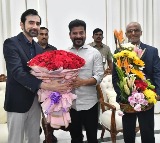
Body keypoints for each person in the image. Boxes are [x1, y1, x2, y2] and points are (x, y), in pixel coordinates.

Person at [3, 9, 70, 143]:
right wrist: (48, 85)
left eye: (38, 23)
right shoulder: (11, 43)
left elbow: (44, 73)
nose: (35, 26)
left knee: (34, 138)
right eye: (31, 23)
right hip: (17, 102)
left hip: (35, 101)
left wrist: (60, 78)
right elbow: (18, 73)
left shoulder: (39, 49)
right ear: (22, 25)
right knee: (15, 140)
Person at [112, 22, 160, 143]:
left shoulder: (152, 51)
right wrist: (121, 95)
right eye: (130, 31)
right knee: (128, 131)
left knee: (147, 130)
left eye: (136, 30)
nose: (133, 33)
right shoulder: (118, 51)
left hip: (147, 98)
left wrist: (158, 92)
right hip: (126, 99)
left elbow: (157, 73)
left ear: (141, 33)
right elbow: (115, 76)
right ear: (127, 34)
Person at [68, 19, 104, 143]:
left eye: (81, 33)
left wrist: (82, 82)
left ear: (85, 33)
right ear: (70, 35)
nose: (78, 36)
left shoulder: (94, 53)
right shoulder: (65, 53)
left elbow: (99, 76)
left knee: (92, 138)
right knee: (75, 138)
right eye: (75, 33)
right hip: (71, 104)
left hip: (90, 104)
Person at [37, 26, 58, 143]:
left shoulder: (53, 49)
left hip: (51, 86)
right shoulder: (32, 49)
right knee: (40, 113)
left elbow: (59, 66)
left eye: (46, 34)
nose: (44, 36)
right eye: (41, 34)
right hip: (36, 86)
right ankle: (45, 135)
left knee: (49, 112)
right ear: (37, 35)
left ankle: (50, 135)